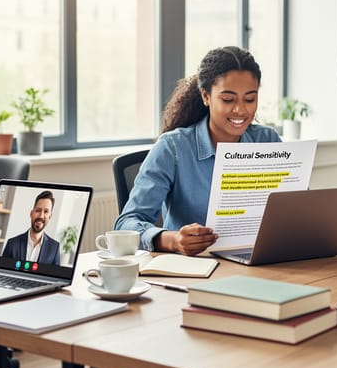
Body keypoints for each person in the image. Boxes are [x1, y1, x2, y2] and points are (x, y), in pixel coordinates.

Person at [115, 46, 281, 255]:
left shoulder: (268, 140)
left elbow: (296, 210)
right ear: (206, 96)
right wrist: (173, 240)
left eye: (249, 99)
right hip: (198, 269)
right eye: (228, 99)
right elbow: (126, 224)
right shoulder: (172, 148)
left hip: (261, 262)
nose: (240, 110)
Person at [2, 190, 61, 266]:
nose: (41, 216)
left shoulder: (54, 248)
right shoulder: (12, 244)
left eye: (46, 211)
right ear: (31, 214)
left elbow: (55, 277)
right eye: (38, 210)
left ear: (50, 216)